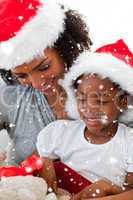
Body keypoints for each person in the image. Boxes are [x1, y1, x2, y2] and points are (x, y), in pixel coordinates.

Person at [36, 39, 133, 199]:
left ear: (122, 102)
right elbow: (38, 162)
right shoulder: (61, 132)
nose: (89, 108)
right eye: (81, 99)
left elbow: (128, 192)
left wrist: (107, 187)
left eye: (101, 101)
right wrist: (44, 164)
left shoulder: (129, 143)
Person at [0, 0, 92, 163]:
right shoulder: (9, 97)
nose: (36, 83)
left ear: (65, 49)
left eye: (44, 67)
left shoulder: (106, 88)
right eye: (21, 76)